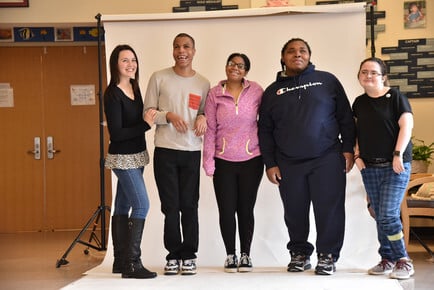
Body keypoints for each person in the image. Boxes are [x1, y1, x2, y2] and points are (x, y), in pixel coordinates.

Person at [258, 38, 355, 275]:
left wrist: (348, 149)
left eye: (302, 50)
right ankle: (299, 253)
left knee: (329, 209)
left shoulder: (327, 80)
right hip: (288, 162)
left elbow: (345, 116)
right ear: (283, 58)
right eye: (291, 51)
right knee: (294, 211)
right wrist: (270, 163)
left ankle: (327, 255)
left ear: (310, 56)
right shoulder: (272, 91)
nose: (297, 54)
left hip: (327, 158)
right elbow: (265, 130)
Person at [144, 33, 210, 276]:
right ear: (172, 50)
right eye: (177, 46)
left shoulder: (203, 82)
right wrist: (168, 115)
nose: (181, 51)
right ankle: (173, 255)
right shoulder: (159, 77)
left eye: (186, 46)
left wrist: (203, 116)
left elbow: (205, 111)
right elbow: (148, 112)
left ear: (194, 51)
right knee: (170, 206)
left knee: (189, 205)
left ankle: (189, 255)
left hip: (192, 151)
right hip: (166, 151)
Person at [352, 57, 414, 280]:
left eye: (374, 72)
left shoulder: (395, 97)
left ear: (383, 76)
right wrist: (358, 157)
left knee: (387, 214)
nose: (368, 76)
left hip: (396, 166)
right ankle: (387, 258)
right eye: (364, 72)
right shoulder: (359, 102)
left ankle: (403, 260)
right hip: (370, 166)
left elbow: (406, 125)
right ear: (359, 75)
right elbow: (356, 132)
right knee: (379, 214)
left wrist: (397, 154)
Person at [203, 53, 264, 273]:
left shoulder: (256, 90)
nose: (235, 68)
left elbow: (265, 123)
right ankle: (230, 254)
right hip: (223, 160)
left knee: (246, 209)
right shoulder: (214, 94)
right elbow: (210, 129)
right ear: (226, 66)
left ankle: (246, 254)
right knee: (226, 210)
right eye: (231, 64)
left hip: (252, 160)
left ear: (246, 70)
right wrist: (208, 160)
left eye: (240, 65)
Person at [103, 44, 157, 279]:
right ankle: (133, 264)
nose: (130, 64)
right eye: (125, 60)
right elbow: (116, 133)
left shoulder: (135, 88)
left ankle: (120, 261)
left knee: (123, 206)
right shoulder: (112, 93)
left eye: (133, 59)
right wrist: (145, 125)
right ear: (115, 64)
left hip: (138, 155)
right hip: (122, 158)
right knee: (142, 205)